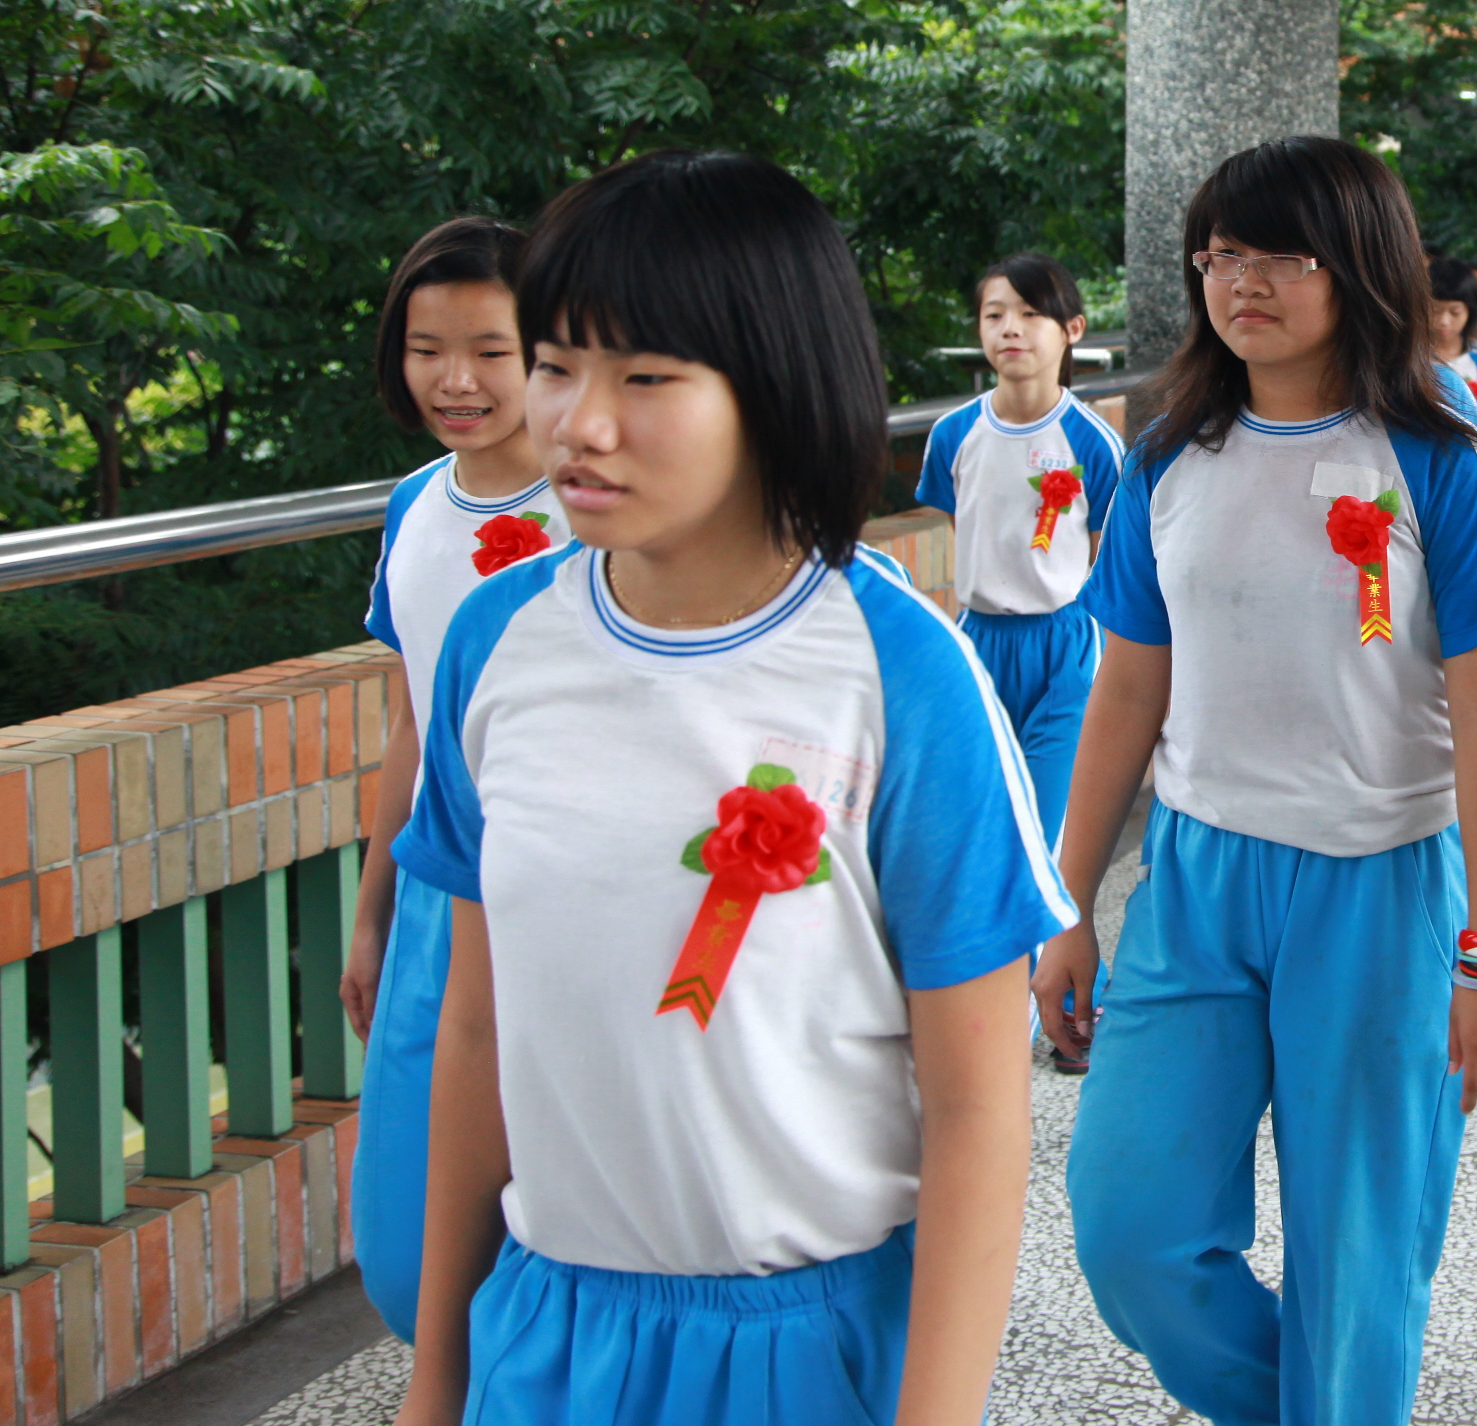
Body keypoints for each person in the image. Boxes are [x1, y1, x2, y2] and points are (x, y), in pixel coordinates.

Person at [390, 152, 1070, 1426]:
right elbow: (476, 1030)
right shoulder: (496, 641)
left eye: (644, 376)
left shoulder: (901, 673)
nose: (578, 422)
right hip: (548, 1335)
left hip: (806, 1350)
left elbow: (979, 1106)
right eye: (555, 365)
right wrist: (436, 1379)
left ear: (773, 383)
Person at [1039, 136, 1477, 1426]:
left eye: (1280, 255)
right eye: (1219, 254)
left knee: (1355, 1261)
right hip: (1197, 880)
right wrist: (1065, 899)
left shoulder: (1444, 457)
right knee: (1132, 1228)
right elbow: (1127, 690)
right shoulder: (1166, 453)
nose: (1241, 281)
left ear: (1357, 264)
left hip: (1382, 888)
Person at [347, 217, 547, 1347]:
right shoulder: (415, 507)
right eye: (428, 349)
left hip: (559, 896)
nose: (456, 380)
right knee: (406, 1245)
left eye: (489, 349)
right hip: (436, 893)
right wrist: (372, 911)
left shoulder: (597, 510)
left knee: (556, 1211)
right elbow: (411, 724)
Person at [912, 251, 1126, 854]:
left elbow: (1105, 565)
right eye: (995, 314)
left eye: (1031, 313)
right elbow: (967, 530)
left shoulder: (1094, 443)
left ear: (1072, 329)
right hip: (980, 641)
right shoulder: (952, 435)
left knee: (1042, 834)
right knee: (977, 825)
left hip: (1066, 648)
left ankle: (1060, 923)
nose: (1010, 328)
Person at [1430, 253, 1477, 443]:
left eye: (1455, 312)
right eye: (1435, 310)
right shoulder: (1409, 361)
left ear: (1471, 312)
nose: (1444, 321)